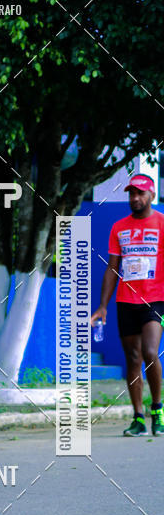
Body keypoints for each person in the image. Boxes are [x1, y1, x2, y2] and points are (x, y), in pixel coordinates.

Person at [91, 173, 164, 436]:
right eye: (132, 193)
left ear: (151, 195)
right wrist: (102, 306)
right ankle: (138, 418)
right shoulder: (119, 227)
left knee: (150, 352)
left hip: (155, 300)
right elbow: (112, 269)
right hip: (125, 300)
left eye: (140, 193)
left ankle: (157, 408)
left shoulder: (161, 223)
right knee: (132, 359)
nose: (135, 198)